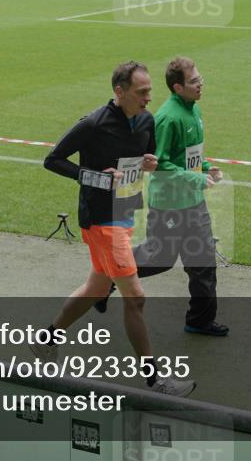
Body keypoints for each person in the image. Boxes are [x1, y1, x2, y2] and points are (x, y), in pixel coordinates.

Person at [33, 61, 196, 397]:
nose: (149, 97)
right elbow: (53, 160)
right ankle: (156, 381)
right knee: (135, 298)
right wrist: (94, 177)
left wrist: (149, 163)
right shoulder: (94, 123)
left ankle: (45, 340)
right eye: (142, 92)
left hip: (124, 212)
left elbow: (144, 159)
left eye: (150, 91)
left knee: (96, 288)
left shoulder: (146, 120)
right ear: (119, 92)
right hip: (100, 220)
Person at [96, 58, 228, 337]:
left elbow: (189, 154)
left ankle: (200, 320)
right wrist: (194, 178)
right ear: (178, 87)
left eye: (200, 79)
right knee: (160, 258)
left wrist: (205, 168)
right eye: (194, 81)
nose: (200, 84)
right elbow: (160, 163)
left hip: (194, 201)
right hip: (169, 205)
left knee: (203, 262)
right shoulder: (168, 118)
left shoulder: (194, 109)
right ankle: (110, 275)